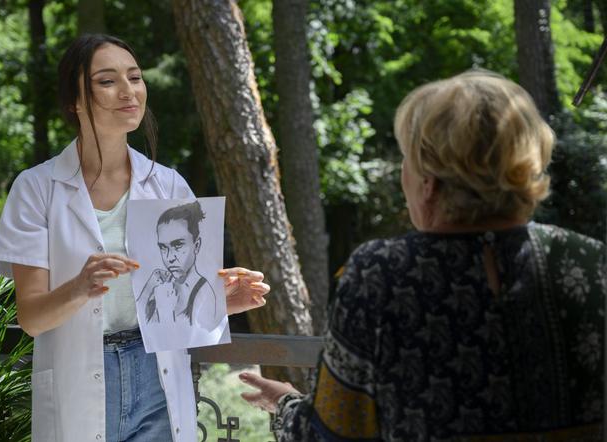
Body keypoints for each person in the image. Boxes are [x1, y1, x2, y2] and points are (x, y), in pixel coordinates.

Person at [240, 70, 606, 441]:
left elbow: (331, 434)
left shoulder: (380, 274)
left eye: (406, 158)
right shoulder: (589, 262)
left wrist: (285, 405)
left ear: (428, 182)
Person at [0, 34, 269, 442]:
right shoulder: (36, 189)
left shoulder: (169, 186)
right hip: (80, 377)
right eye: (107, 81)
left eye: (135, 77)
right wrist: (79, 287)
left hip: (156, 377)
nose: (128, 91)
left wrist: (221, 302)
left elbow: (175, 309)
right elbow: (31, 318)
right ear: (75, 101)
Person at [137, 200, 219, 331]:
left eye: (178, 245)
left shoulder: (204, 293)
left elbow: (194, 341)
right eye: (163, 247)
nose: (170, 258)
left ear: (196, 246)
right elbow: (137, 325)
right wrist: (148, 290)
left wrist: (165, 310)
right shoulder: (160, 283)